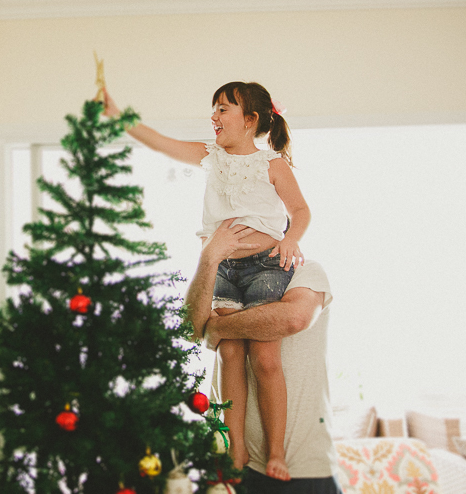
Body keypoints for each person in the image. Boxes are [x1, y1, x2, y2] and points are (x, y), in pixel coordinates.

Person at [103, 82, 310, 480]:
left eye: (223, 109)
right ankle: (235, 449)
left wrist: (290, 239)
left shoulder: (271, 164)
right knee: (229, 354)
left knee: (265, 359)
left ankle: (276, 452)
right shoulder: (209, 156)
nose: (214, 116)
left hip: (267, 267)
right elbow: (159, 142)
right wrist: (117, 116)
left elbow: (300, 210)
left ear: (250, 120)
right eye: (214, 109)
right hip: (224, 270)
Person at [187, 218, 340, 493]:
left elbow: (293, 318)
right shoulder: (218, 274)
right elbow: (190, 330)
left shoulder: (305, 270)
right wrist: (209, 257)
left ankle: (274, 451)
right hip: (230, 461)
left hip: (300, 468)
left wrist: (218, 327)